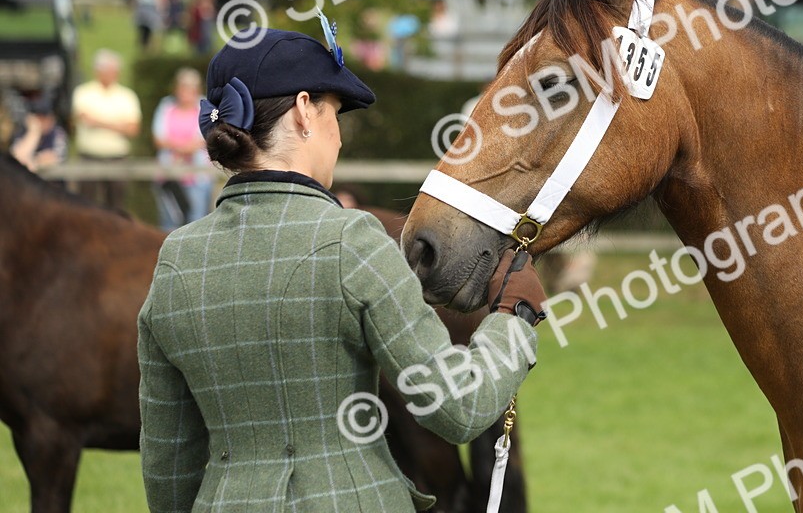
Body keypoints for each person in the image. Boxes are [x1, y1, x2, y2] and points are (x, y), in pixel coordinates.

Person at [138, 27, 547, 513]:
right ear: (304, 109)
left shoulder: (176, 260)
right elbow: (457, 407)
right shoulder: (353, 241)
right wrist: (513, 318)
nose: (338, 134)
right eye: (334, 111)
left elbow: (167, 464)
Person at [72, 50, 142, 210]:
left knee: (117, 207)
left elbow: (133, 129)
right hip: (89, 158)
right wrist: (118, 126)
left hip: (117, 158)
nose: (112, 74)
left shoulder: (127, 95)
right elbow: (83, 119)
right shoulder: (83, 92)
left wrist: (98, 122)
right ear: (98, 71)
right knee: (86, 206)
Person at [151, 68, 212, 230]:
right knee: (169, 221)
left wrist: (178, 147)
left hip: (197, 176)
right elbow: (158, 138)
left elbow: (205, 138)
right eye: (182, 87)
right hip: (169, 174)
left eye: (190, 88)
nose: (185, 91)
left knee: (196, 221)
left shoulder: (205, 108)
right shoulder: (166, 106)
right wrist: (183, 147)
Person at [9, 96, 68, 172]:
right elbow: (17, 158)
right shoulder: (23, 131)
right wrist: (34, 132)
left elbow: (53, 159)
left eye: (44, 117)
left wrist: (32, 161)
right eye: (37, 116)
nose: (41, 121)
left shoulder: (57, 133)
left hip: (51, 181)